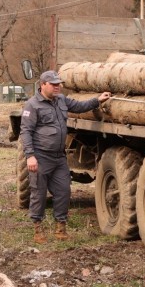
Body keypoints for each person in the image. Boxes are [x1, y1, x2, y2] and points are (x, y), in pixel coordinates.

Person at [20, 70, 110, 243]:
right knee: (38, 194)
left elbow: (79, 106)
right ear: (43, 85)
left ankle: (60, 228)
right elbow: (26, 132)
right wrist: (30, 156)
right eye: (54, 84)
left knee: (63, 192)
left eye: (59, 84)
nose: (58, 87)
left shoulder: (61, 100)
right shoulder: (32, 105)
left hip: (59, 158)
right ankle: (38, 229)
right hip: (41, 157)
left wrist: (97, 100)